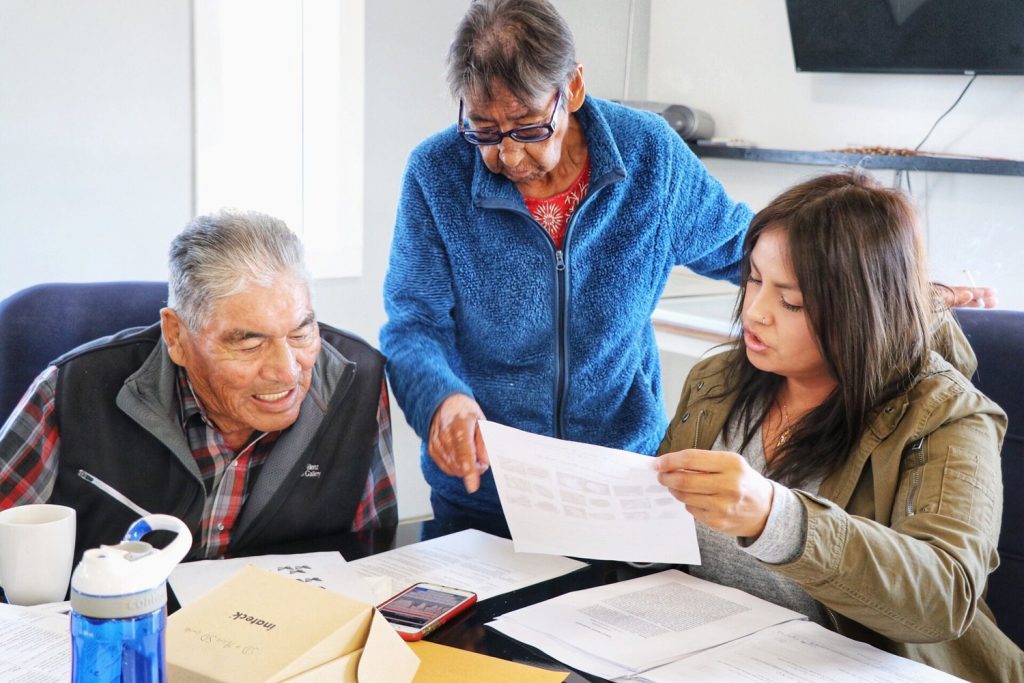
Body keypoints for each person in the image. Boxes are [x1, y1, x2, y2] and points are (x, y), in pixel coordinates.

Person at [381, 0, 995, 540]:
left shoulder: (647, 155)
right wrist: (443, 401)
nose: (507, 155)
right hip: (488, 491)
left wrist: (914, 294)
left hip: (619, 483)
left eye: (527, 129)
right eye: (483, 132)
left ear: (572, 88)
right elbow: (413, 323)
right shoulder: (437, 173)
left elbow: (753, 251)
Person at [655, 172, 1020, 681]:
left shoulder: (947, 416)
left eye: (792, 301)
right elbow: (665, 530)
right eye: (754, 280)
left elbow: (944, 596)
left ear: (863, 311)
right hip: (703, 654)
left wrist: (777, 518)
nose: (755, 314)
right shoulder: (717, 380)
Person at [0, 211, 396, 563]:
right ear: (175, 334)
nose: (287, 371)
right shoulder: (70, 391)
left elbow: (372, 562)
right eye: (249, 342)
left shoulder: (355, 381)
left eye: (301, 332)